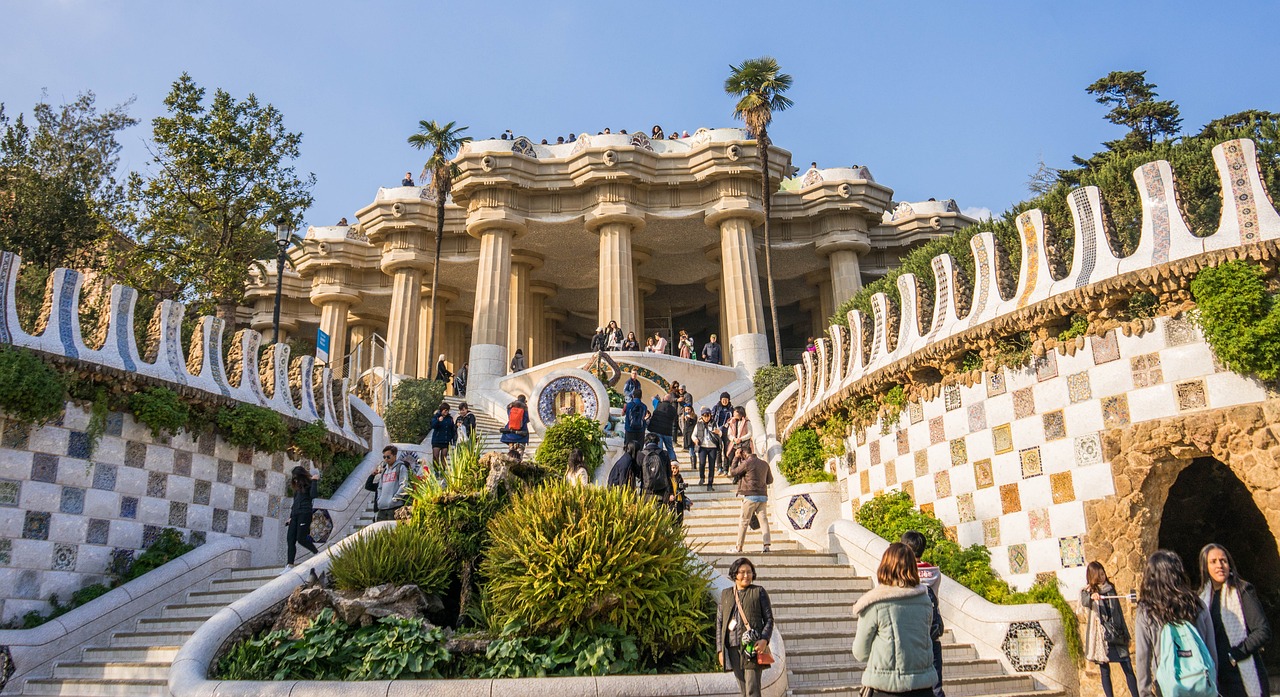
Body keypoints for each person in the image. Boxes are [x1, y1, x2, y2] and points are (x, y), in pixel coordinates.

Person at [852, 543, 938, 696]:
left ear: (885, 566)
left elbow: (860, 652)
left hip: (886, 688)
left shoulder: (875, 603)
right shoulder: (924, 601)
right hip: (923, 687)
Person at [1135, 549, 1218, 697]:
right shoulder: (1196, 604)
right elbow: (1210, 647)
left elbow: (1142, 656)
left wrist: (1145, 692)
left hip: (1168, 687)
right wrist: (1213, 681)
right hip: (1201, 682)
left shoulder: (1147, 611)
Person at [1198, 544, 1271, 697]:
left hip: (1242, 678)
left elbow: (1262, 631)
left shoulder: (1242, 591)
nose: (1220, 565)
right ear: (1205, 567)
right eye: (1213, 561)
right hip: (1217, 679)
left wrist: (1235, 654)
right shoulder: (1202, 598)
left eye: (1223, 560)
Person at [716, 557, 774, 697]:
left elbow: (769, 619)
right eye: (742, 572)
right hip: (733, 647)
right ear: (735, 574)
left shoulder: (758, 592)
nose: (746, 575)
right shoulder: (726, 594)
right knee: (743, 690)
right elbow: (719, 623)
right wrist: (720, 650)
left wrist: (764, 639)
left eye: (749, 572)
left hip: (751, 648)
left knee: (752, 690)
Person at [1083, 561, 1139, 697]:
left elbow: (1119, 612)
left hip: (1117, 633)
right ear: (1093, 576)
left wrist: (1126, 634)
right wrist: (1092, 596)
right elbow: (1084, 601)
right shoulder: (1088, 591)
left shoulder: (1110, 589)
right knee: (1105, 670)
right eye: (1099, 575)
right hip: (1102, 637)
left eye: (1103, 574)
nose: (1102, 577)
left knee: (1127, 666)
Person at [901, 531, 946, 697]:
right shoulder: (935, 573)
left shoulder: (904, 573)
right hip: (931, 635)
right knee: (936, 688)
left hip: (911, 636)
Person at [728, 442, 772, 554]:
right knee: (764, 521)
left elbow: (733, 472)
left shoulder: (747, 463)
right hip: (762, 496)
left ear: (743, 453)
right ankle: (766, 545)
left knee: (744, 522)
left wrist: (735, 458)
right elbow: (770, 480)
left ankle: (739, 547)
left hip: (750, 496)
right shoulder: (764, 464)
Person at [284, 465, 320, 570]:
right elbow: (294, 503)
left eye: (297, 477)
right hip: (295, 515)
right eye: (294, 478)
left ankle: (317, 553)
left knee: (301, 538)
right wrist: (290, 517)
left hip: (305, 513)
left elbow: (314, 495)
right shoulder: (297, 488)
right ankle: (289, 564)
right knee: (290, 539)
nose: (295, 480)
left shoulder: (309, 484)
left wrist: (314, 481)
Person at [365, 445, 411, 521]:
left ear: (394, 456)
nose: (386, 459)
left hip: (394, 507)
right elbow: (379, 487)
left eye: (388, 457)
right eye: (384, 457)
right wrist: (379, 500)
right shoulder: (384, 470)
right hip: (382, 507)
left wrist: (395, 499)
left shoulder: (401, 467)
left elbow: (403, 485)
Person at [638, 433, 673, 503]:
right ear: (658, 442)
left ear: (645, 442)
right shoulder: (664, 454)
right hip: (662, 490)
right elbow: (669, 473)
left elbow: (638, 473)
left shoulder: (641, 455)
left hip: (647, 490)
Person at [648, 392, 680, 463]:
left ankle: (660, 463)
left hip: (657, 431)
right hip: (667, 432)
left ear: (663, 399)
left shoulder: (658, 404)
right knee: (670, 449)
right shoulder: (673, 410)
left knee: (659, 449)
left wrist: (656, 398)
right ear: (671, 401)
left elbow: (652, 398)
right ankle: (674, 462)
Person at [694, 407, 721, 490]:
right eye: (704, 415)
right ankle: (702, 477)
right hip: (702, 447)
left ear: (710, 415)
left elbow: (720, 433)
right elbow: (693, 434)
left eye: (707, 415)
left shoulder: (714, 423)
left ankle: (710, 484)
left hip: (712, 447)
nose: (706, 417)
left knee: (711, 466)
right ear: (702, 416)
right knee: (702, 463)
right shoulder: (698, 424)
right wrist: (695, 440)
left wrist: (718, 432)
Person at [500, 395, 531, 460]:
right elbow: (528, 419)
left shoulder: (510, 408)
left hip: (510, 434)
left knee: (511, 455)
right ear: (525, 400)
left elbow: (509, 415)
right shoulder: (525, 410)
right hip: (522, 435)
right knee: (519, 455)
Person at [712, 392, 735, 475]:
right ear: (720, 400)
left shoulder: (731, 409)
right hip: (717, 430)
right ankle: (719, 467)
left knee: (727, 450)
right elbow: (712, 417)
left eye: (726, 400)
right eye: (723, 399)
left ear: (729, 400)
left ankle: (726, 468)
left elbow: (734, 418)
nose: (724, 401)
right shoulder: (716, 408)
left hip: (727, 431)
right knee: (718, 449)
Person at [429, 402, 456, 468]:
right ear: (442, 410)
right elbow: (433, 426)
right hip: (437, 440)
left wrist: (452, 438)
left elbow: (452, 429)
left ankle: (443, 472)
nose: (446, 412)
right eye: (445, 410)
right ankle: (436, 472)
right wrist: (438, 421)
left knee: (444, 457)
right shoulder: (436, 417)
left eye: (447, 410)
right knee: (435, 457)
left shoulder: (450, 419)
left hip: (446, 441)